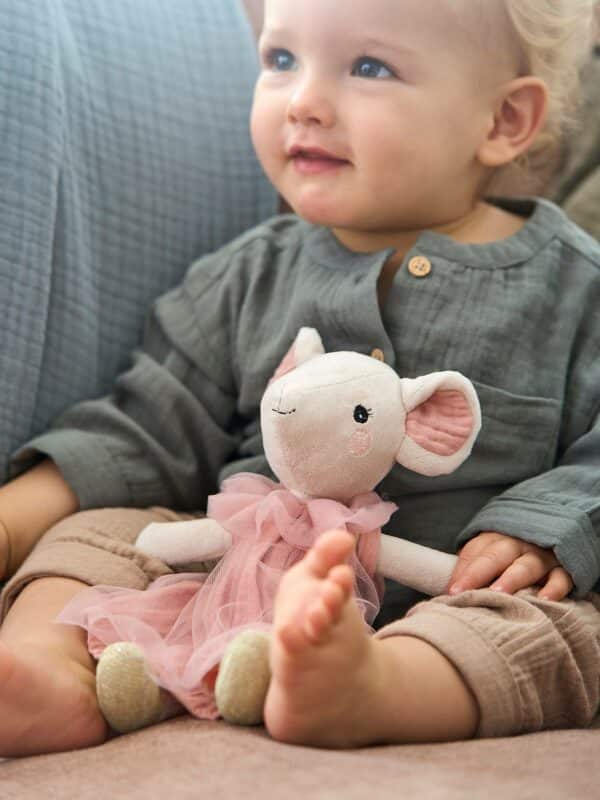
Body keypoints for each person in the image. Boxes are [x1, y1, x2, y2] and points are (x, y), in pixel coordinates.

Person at [1, 0, 599, 756]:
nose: (304, 102)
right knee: (98, 535)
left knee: (563, 628)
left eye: (369, 68)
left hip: (454, 591)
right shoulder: (246, 274)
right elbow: (149, 427)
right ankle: (49, 674)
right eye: (281, 60)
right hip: (237, 564)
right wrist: (14, 517)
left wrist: (553, 531)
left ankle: (372, 688)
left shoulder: (573, 288)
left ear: (503, 120)